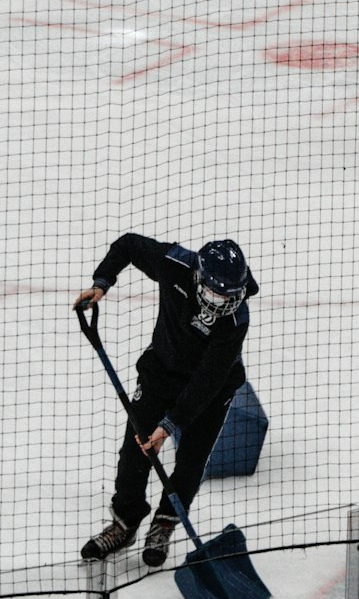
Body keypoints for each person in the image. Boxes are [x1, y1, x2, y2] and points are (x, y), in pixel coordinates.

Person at [75, 235, 258, 568]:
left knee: (191, 460)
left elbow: (208, 380)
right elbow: (128, 245)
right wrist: (102, 281)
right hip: (161, 372)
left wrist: (171, 424)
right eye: (215, 293)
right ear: (198, 277)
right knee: (135, 451)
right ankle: (125, 522)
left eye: (229, 295)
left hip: (211, 390)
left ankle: (165, 522)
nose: (221, 302)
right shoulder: (174, 264)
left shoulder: (235, 320)